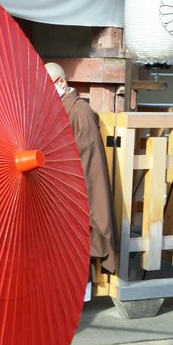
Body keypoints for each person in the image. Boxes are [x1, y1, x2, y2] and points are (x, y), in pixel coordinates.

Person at [45, 62, 117, 301]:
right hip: (61, 187)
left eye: (48, 86)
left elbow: (84, 157)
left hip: (77, 188)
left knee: (76, 245)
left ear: (62, 82)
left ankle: (79, 298)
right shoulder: (62, 108)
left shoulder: (79, 112)